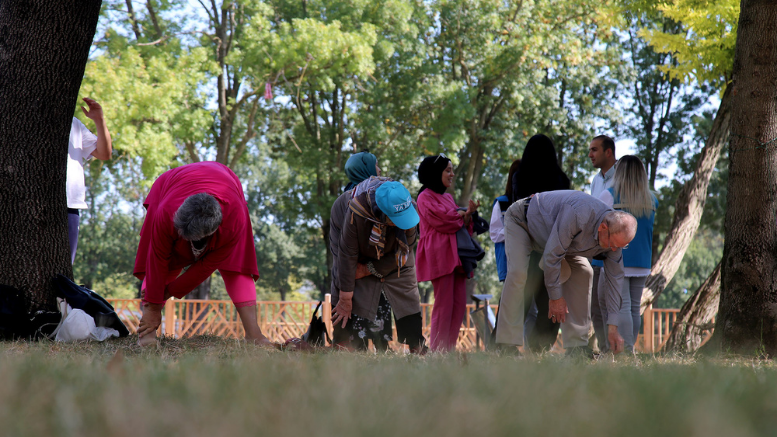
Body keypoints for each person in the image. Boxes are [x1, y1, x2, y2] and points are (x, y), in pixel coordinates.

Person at [133, 162, 271, 347]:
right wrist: (154, 305)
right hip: (172, 185)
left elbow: (207, 266)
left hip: (227, 188)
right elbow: (157, 260)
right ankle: (147, 335)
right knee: (169, 262)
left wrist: (169, 291)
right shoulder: (166, 212)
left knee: (236, 263)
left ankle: (255, 336)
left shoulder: (235, 220)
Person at [495, 190, 637, 356]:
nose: (614, 250)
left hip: (555, 240)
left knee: (584, 272)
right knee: (518, 274)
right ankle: (506, 344)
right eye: (612, 244)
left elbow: (615, 280)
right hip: (523, 222)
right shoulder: (578, 214)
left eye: (621, 247)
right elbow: (552, 257)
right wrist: (556, 297)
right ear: (603, 227)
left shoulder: (614, 237)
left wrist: (613, 327)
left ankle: (577, 346)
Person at [331, 177, 427, 353]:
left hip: (396, 253)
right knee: (347, 281)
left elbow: (405, 250)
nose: (403, 223)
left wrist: (369, 269)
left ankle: (416, 344)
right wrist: (345, 298)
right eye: (396, 219)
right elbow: (347, 255)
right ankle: (346, 342)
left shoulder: (408, 207)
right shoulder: (355, 212)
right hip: (355, 248)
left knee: (406, 285)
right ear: (382, 213)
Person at [505, 134, 572, 352]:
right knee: (550, 297)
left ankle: (505, 345)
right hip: (551, 244)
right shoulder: (561, 179)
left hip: (526, 244)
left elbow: (519, 207)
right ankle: (540, 346)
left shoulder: (520, 176)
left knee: (518, 296)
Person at [329, 151, 396, 351]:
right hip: (357, 277)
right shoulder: (351, 201)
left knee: (357, 346)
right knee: (355, 347)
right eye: (376, 166)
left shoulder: (352, 199)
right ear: (364, 169)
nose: (380, 170)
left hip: (355, 275)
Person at [415, 154, 480, 352]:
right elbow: (443, 221)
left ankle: (448, 351)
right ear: (436, 173)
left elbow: (457, 223)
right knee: (444, 304)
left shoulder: (448, 197)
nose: (452, 174)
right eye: (448, 170)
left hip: (456, 256)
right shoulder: (424, 196)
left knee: (459, 304)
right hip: (439, 255)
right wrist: (460, 214)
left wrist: (467, 215)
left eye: (452, 170)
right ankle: (438, 351)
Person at [597, 155, 658, 353]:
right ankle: (628, 349)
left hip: (617, 258)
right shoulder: (651, 200)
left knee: (619, 306)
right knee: (633, 308)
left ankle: (623, 351)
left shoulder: (609, 196)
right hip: (642, 260)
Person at [67, 97, 113, 264]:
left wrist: (99, 120)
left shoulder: (73, 123)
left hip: (69, 205)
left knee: (63, 266)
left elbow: (104, 153)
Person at [588, 134, 617, 350]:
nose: (590, 154)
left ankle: (615, 352)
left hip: (615, 251)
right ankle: (605, 351)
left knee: (609, 304)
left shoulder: (623, 177)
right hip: (595, 251)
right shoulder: (595, 181)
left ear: (608, 152)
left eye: (594, 149)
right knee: (595, 307)